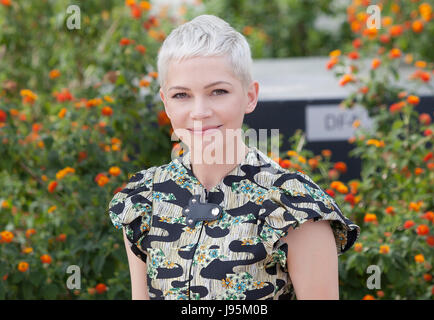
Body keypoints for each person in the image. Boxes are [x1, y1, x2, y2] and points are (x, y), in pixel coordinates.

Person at [107, 14, 360, 300]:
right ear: (165, 102)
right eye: (182, 95)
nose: (200, 111)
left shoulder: (294, 206)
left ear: (250, 96)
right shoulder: (145, 199)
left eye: (218, 91)